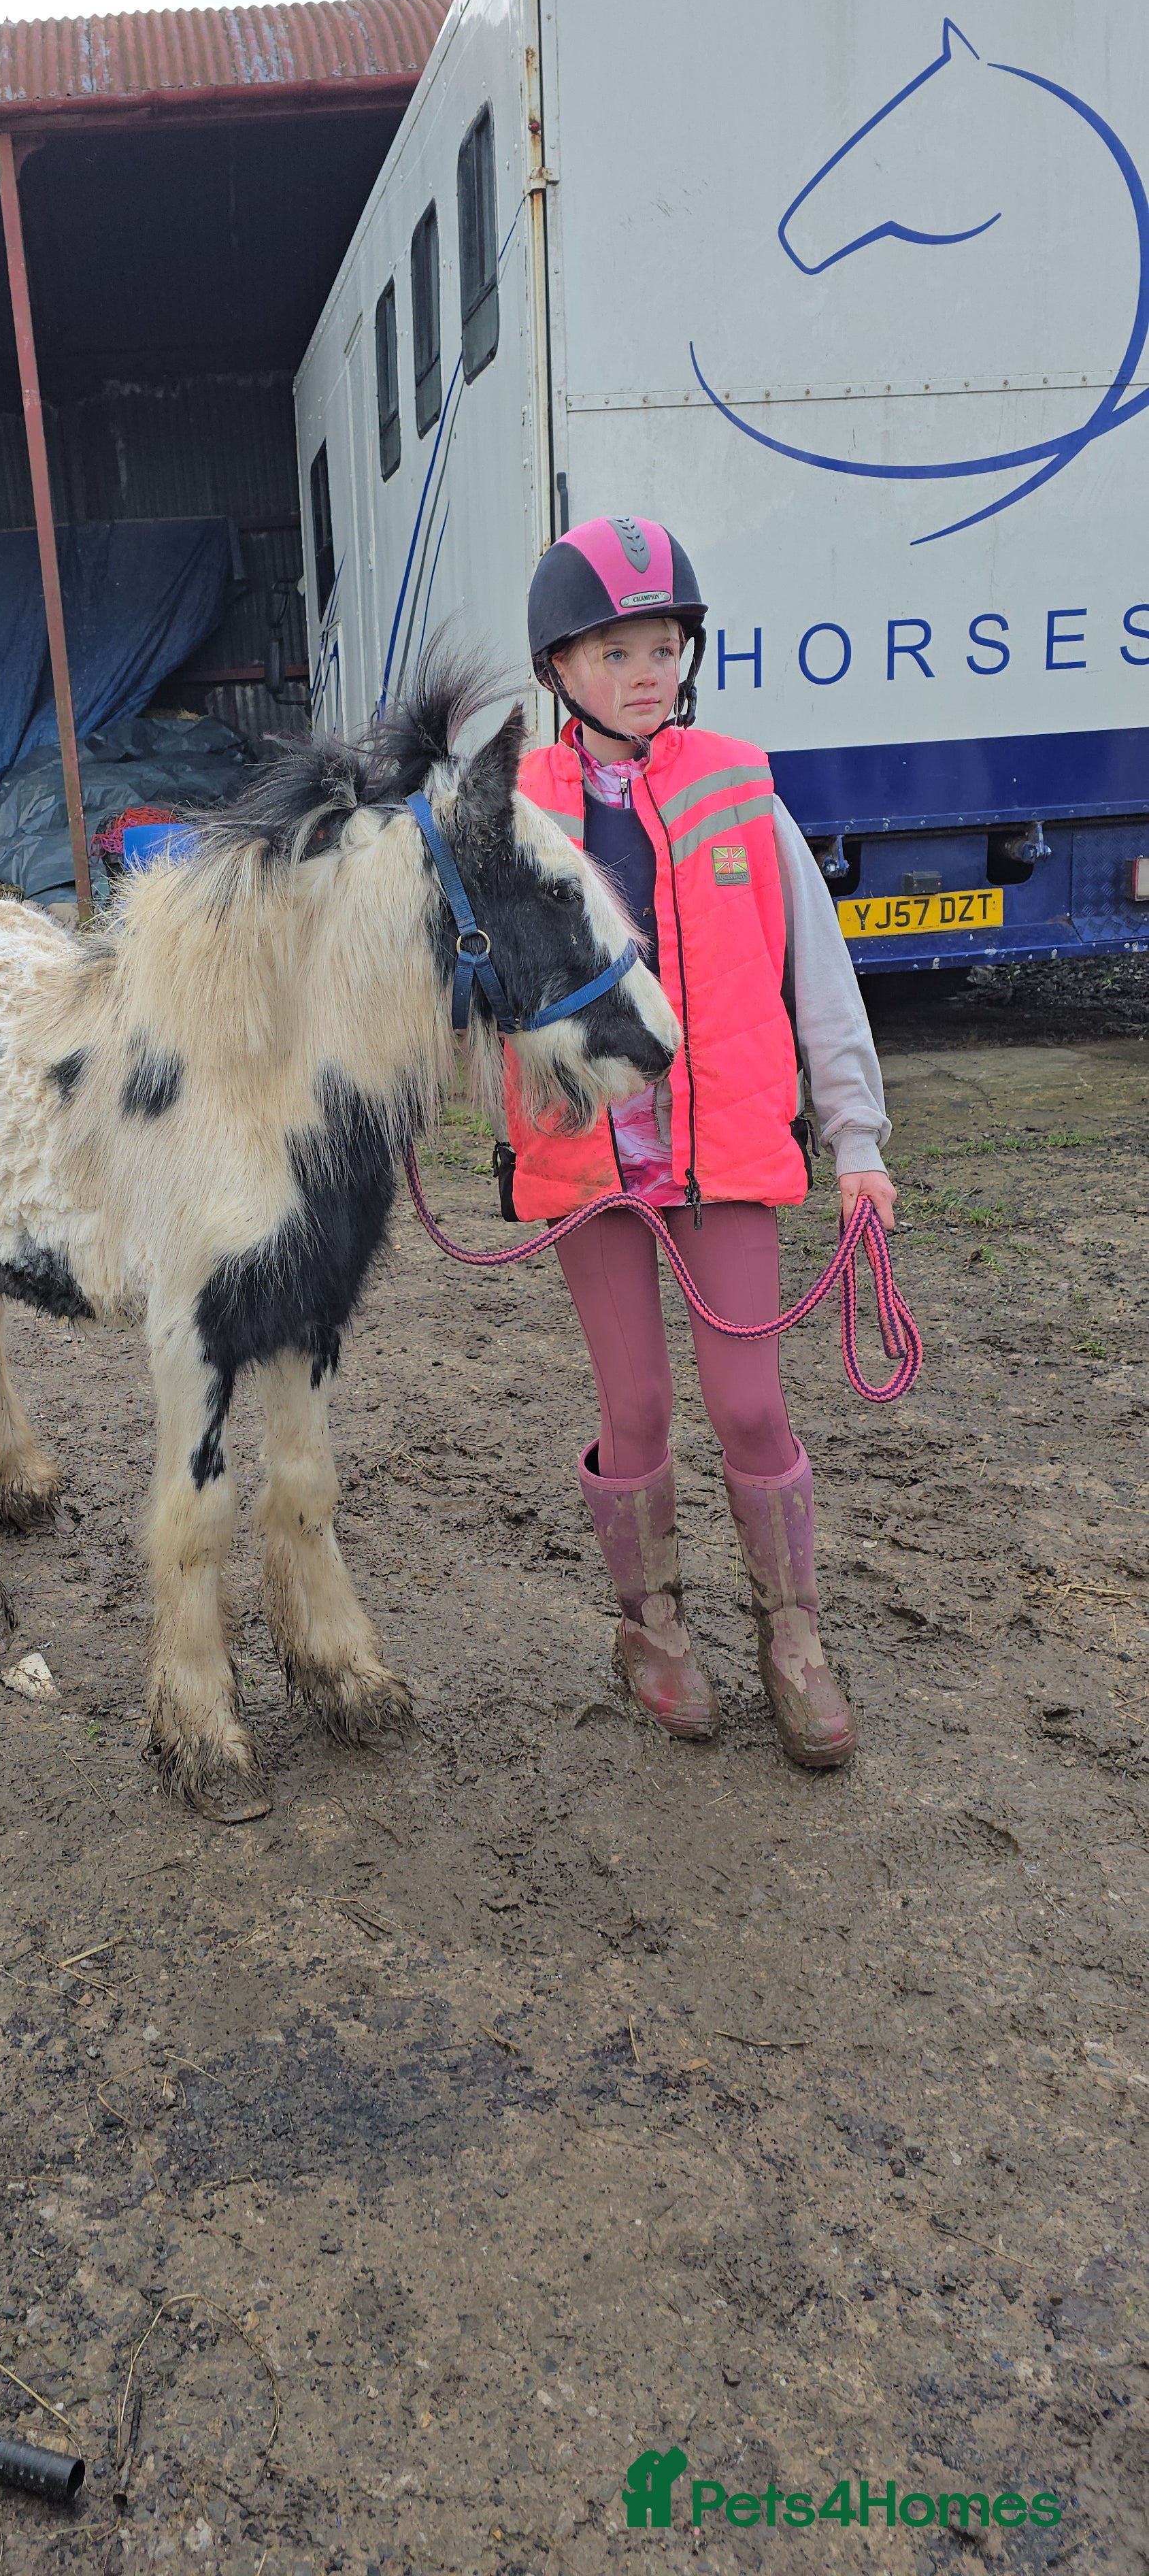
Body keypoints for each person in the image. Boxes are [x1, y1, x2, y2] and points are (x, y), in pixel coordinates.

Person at [505, 514, 897, 1770]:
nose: (646, 674)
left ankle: (794, 1637)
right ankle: (653, 1630)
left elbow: (818, 978)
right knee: (635, 1403)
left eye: (663, 648)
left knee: (749, 1404)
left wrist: (856, 1139)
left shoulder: (742, 793)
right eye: (615, 652)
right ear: (560, 669)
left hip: (722, 1152)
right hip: (591, 1161)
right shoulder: (515, 815)